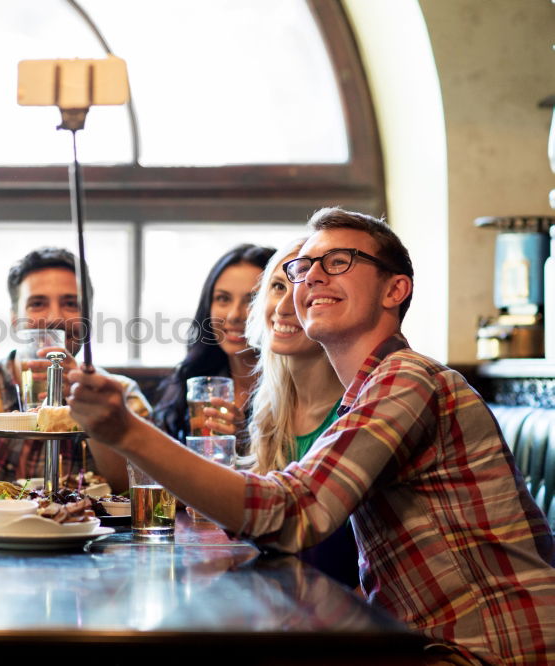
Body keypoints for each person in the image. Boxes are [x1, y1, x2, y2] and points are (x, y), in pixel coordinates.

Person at [67, 208, 555, 664]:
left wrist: (128, 432)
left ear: (395, 290)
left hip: (494, 649)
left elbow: (292, 513)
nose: (313, 276)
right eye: (301, 268)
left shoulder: (407, 377)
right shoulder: (366, 391)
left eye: (339, 262)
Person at [0, 247, 150, 492]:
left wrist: (89, 403)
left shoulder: (122, 394)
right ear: (15, 319)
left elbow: (142, 492)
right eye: (37, 304)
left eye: (71, 304)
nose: (55, 318)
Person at [243, 239, 356, 588]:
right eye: (278, 286)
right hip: (286, 602)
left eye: (305, 288)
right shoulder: (270, 409)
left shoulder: (357, 411)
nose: (284, 305)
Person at [151, 244, 274, 445]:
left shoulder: (294, 392)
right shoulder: (193, 380)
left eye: (253, 300)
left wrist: (246, 441)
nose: (235, 315)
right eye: (223, 299)